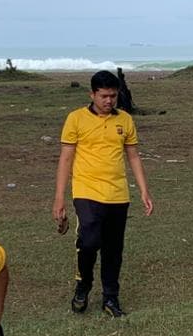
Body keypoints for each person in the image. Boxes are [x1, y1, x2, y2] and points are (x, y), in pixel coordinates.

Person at [53, 70, 154, 318]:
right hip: (86, 191)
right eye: (104, 96)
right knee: (88, 241)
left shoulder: (125, 120)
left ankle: (110, 297)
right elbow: (65, 159)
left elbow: (133, 156)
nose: (109, 101)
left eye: (113, 96)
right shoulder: (76, 119)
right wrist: (59, 198)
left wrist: (144, 190)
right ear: (92, 94)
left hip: (118, 194)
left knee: (113, 249)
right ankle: (83, 285)